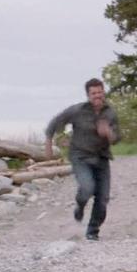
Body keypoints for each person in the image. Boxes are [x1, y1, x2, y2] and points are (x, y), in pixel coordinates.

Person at [45, 78, 120, 241]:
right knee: (87, 187)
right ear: (88, 95)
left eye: (100, 92)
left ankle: (92, 231)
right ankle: (80, 204)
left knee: (103, 198)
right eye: (94, 93)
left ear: (103, 92)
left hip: (102, 158)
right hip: (80, 156)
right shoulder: (77, 110)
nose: (97, 96)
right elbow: (55, 123)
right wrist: (49, 143)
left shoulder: (110, 113)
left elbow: (117, 137)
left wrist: (108, 133)